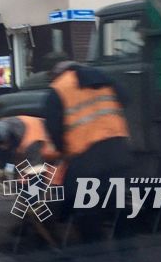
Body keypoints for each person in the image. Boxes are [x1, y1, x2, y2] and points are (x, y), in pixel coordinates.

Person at [43, 57, 132, 243]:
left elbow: (53, 128)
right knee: (117, 203)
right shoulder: (101, 76)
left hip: (87, 159)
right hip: (118, 150)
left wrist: (64, 151)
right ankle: (127, 250)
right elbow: (126, 98)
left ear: (54, 73)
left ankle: (94, 252)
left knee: (87, 209)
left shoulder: (58, 89)